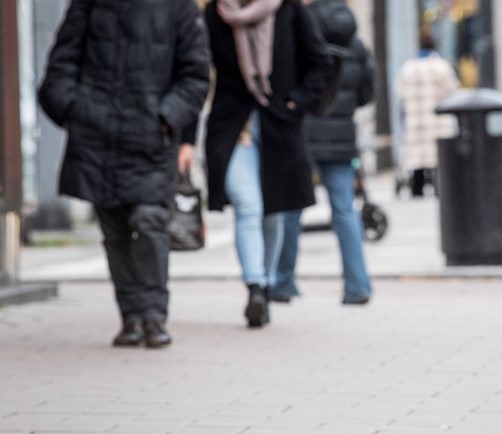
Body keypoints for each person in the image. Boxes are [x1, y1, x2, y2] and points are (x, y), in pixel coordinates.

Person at [38, 0, 211, 349]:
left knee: (149, 220)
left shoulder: (178, 7)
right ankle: (130, 317)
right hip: (97, 133)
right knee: (114, 226)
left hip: (148, 135)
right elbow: (60, 65)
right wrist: (75, 110)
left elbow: (195, 75)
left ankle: (153, 315)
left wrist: (165, 118)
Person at [192, 0, 333, 327]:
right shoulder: (216, 14)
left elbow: (321, 63)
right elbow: (196, 71)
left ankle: (266, 282)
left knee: (273, 213)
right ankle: (254, 286)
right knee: (249, 205)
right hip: (233, 127)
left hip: (278, 126)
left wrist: (297, 101)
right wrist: (186, 139)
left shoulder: (289, 10)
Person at [272, 0, 375, 306]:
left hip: (303, 129)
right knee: (344, 209)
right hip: (342, 135)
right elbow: (368, 90)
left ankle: (283, 282)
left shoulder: (301, 28)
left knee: (292, 208)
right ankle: (357, 286)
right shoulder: (354, 39)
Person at [397, 30, 459, 198]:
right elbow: (452, 90)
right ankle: (440, 190)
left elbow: (400, 93)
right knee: (437, 156)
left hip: (416, 120)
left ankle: (417, 190)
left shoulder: (408, 68)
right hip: (437, 120)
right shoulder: (441, 66)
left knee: (417, 158)